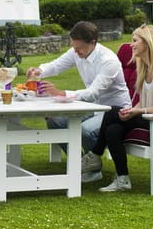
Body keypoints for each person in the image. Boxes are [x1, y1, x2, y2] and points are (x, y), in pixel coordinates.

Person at [25, 20, 131, 183]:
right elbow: (56, 66)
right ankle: (80, 163)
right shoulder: (77, 50)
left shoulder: (108, 61)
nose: (75, 51)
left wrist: (60, 93)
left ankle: (93, 169)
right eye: (74, 47)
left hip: (114, 111)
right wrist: (39, 70)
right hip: (92, 107)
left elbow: (92, 92)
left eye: (79, 48)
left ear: (93, 43)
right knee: (54, 119)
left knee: (85, 130)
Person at [88, 24, 153, 192]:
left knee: (112, 111)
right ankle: (122, 179)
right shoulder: (145, 69)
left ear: (147, 43)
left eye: (135, 40)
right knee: (113, 130)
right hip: (148, 119)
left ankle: (95, 154)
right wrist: (132, 110)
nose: (131, 44)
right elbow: (142, 101)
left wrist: (138, 111)